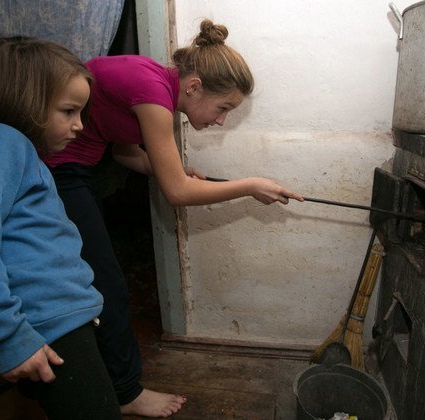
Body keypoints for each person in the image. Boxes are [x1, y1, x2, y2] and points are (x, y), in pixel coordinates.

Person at [44, 19, 303, 417]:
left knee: (97, 279)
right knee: (107, 286)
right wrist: (249, 185)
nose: (221, 120)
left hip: (75, 168)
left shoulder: (153, 86)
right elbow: (177, 194)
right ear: (195, 85)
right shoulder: (152, 91)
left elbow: (124, 153)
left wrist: (175, 171)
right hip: (56, 170)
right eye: (223, 109)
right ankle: (126, 392)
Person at [0, 36, 124, 419]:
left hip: (63, 321)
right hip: (48, 326)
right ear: (25, 101)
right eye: (68, 111)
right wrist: (8, 335)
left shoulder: (22, 153)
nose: (79, 126)